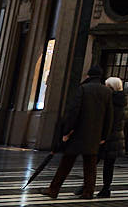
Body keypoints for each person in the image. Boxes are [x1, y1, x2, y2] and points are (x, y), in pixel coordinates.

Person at [46, 66, 115, 199]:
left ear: (89, 75)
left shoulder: (83, 89)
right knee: (90, 166)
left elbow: (74, 112)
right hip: (94, 136)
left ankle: (54, 189)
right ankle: (88, 192)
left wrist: (66, 132)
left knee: (66, 164)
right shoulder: (107, 92)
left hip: (77, 134)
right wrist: (104, 136)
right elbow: (109, 116)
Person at [99, 76, 128, 197]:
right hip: (117, 136)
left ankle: (88, 185)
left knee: (92, 161)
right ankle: (106, 188)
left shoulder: (110, 100)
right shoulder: (124, 100)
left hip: (107, 136)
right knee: (109, 164)